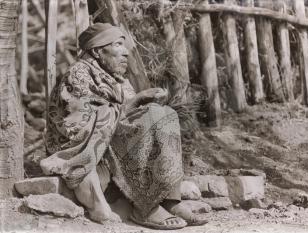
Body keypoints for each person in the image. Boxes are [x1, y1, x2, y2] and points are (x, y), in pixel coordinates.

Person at [40, 23, 207, 230]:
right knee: (153, 115)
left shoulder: (115, 79)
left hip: (109, 140)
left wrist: (146, 103)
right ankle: (145, 208)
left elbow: (127, 113)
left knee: (165, 114)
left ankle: (170, 201)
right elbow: (79, 127)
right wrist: (138, 101)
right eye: (118, 45)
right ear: (98, 51)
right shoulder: (79, 75)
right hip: (85, 148)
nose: (126, 53)